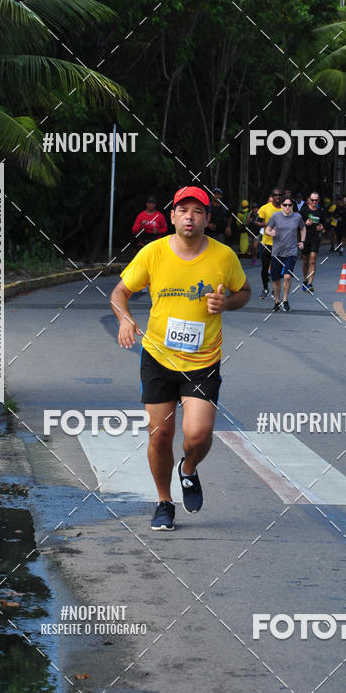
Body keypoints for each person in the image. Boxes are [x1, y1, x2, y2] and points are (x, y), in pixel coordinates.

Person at [110, 185, 251, 531]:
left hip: (203, 361)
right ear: (171, 216)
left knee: (198, 435)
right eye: (183, 210)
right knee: (160, 435)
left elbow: (244, 291)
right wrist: (125, 318)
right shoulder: (154, 253)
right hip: (158, 357)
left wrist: (226, 304)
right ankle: (163, 502)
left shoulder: (223, 257)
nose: (190, 217)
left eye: (198, 211)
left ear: (207, 219)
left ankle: (187, 469)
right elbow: (120, 292)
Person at [265, 197, 306, 312]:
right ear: (282, 205)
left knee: (287, 277)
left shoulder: (297, 217)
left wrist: (302, 241)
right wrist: (270, 232)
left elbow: (303, 228)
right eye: (285, 205)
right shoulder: (275, 216)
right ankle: (277, 301)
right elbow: (267, 229)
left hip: (291, 252)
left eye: (290, 205)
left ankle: (285, 300)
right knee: (276, 279)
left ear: (292, 206)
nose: (288, 207)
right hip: (277, 252)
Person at [299, 192, 329, 293]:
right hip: (305, 238)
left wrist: (322, 227)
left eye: (316, 200)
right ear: (309, 199)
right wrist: (305, 223)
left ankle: (310, 284)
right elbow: (297, 224)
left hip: (316, 239)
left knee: (312, 260)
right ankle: (304, 280)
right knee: (305, 261)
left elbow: (324, 224)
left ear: (318, 201)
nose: (314, 202)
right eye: (312, 200)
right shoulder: (303, 210)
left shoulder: (320, 211)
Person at [256, 189, 283, 298]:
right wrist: (266, 224)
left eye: (279, 195)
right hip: (267, 243)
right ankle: (265, 288)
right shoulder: (265, 208)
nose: (277, 197)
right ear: (272, 196)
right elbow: (257, 221)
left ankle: (274, 289)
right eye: (275, 195)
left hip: (280, 243)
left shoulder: (285, 208)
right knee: (265, 267)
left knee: (277, 268)